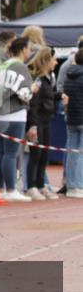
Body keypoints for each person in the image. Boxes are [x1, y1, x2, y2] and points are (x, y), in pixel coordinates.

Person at [0, 35, 34, 201]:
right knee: (11, 153)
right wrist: (32, 92)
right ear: (22, 50)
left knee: (2, 152)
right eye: (29, 48)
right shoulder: (20, 67)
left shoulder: (4, 64)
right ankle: (10, 189)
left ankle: (1, 188)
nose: (29, 51)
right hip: (14, 114)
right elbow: (24, 93)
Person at [25, 47, 60, 199]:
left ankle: (41, 185)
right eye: (54, 59)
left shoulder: (49, 78)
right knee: (35, 154)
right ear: (47, 60)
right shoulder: (37, 78)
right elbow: (33, 103)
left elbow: (48, 95)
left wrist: (58, 96)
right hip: (36, 120)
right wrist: (32, 125)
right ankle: (31, 187)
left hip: (46, 120)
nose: (56, 62)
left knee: (44, 154)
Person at [62, 48, 83, 198]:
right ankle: (78, 185)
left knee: (72, 152)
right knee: (80, 154)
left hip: (72, 118)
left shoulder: (69, 76)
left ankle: (71, 185)